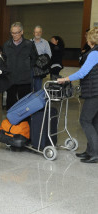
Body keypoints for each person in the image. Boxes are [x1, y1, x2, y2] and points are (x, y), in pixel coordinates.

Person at [57, 27, 98, 163]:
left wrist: (65, 79)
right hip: (95, 91)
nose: (86, 38)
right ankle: (90, 151)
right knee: (94, 122)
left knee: (85, 120)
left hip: (94, 92)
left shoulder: (94, 53)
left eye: (87, 36)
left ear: (91, 39)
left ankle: (95, 153)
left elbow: (82, 73)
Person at [2, 22, 37, 110]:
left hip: (24, 79)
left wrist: (26, 67)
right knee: (10, 104)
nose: (14, 35)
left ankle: (25, 123)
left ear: (22, 32)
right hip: (11, 80)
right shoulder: (6, 45)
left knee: (25, 105)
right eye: (12, 33)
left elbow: (35, 58)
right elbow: (4, 60)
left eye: (17, 32)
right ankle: (11, 123)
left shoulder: (29, 44)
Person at [31, 25, 52, 91]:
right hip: (30, 68)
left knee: (38, 87)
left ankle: (37, 100)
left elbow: (49, 55)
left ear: (41, 33)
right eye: (36, 32)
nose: (38, 34)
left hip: (40, 68)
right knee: (29, 88)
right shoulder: (29, 42)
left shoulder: (45, 43)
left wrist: (40, 60)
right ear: (33, 33)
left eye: (39, 32)